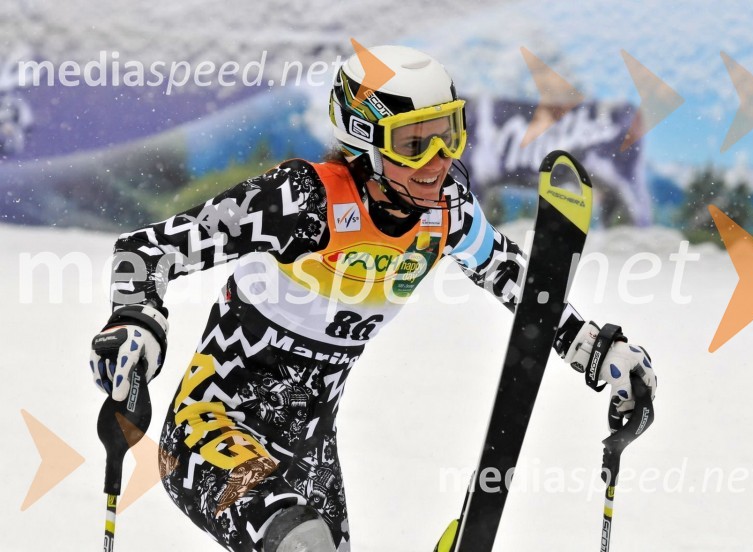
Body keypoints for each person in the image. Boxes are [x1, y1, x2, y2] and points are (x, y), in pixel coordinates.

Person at [89, 45, 656, 552]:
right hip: (209, 436)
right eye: (415, 143)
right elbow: (146, 255)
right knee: (303, 543)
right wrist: (136, 326)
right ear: (364, 143)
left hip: (311, 453)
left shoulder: (447, 209)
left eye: (448, 133)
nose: (439, 160)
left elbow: (514, 280)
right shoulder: (297, 201)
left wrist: (597, 352)